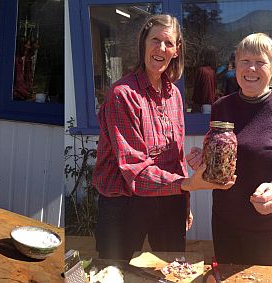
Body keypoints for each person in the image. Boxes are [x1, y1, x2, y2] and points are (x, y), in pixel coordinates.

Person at [92, 14, 234, 260]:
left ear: (177, 50)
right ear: (143, 44)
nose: (161, 48)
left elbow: (175, 157)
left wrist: (184, 200)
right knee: (114, 270)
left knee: (172, 268)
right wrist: (186, 184)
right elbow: (134, 169)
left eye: (169, 43)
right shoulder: (123, 95)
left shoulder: (174, 96)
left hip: (169, 198)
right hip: (124, 202)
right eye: (155, 40)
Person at [187, 33, 272, 267]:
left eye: (260, 62)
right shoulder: (221, 107)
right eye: (244, 61)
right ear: (235, 66)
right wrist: (205, 159)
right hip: (226, 231)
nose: (251, 68)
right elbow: (225, 156)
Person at [191, 46, 217, 113]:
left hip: (201, 105)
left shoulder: (202, 70)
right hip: (209, 105)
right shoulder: (212, 72)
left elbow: (198, 89)